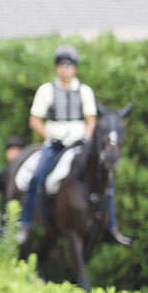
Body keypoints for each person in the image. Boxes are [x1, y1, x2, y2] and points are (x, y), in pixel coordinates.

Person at [17, 45, 129, 246]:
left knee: (107, 179)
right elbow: (35, 120)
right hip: (56, 143)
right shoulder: (46, 90)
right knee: (36, 177)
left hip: (78, 142)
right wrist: (49, 135)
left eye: (69, 65)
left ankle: (111, 226)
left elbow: (91, 119)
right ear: (57, 67)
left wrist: (86, 136)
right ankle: (25, 223)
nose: (65, 69)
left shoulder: (85, 91)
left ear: (75, 68)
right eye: (61, 64)